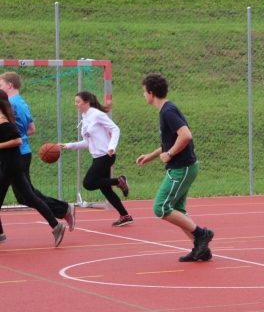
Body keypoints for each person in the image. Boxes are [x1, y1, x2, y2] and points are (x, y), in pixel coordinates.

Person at [136, 73, 213, 262]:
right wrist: (151, 156)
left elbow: (186, 135)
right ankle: (201, 249)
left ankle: (202, 235)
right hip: (183, 167)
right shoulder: (167, 110)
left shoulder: (167, 112)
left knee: (161, 208)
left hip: (182, 167)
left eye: (144, 92)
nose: (143, 95)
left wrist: (169, 155)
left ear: (151, 93)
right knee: (178, 209)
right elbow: (170, 142)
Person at [0, 72, 75, 231]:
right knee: (26, 194)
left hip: (14, 155)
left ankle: (62, 210)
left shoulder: (11, 104)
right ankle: (61, 212)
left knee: (26, 195)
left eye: (0, 85)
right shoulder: (21, 102)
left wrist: (8, 139)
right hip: (20, 152)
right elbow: (31, 130)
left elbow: (16, 134)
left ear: (9, 85)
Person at [58, 92, 132, 227]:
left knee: (88, 183)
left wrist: (112, 147)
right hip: (97, 157)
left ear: (87, 102)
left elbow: (115, 129)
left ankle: (119, 181)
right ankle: (125, 215)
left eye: (78, 102)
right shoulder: (85, 117)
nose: (76, 104)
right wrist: (68, 145)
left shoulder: (97, 115)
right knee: (105, 189)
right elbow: (87, 142)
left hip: (106, 155)